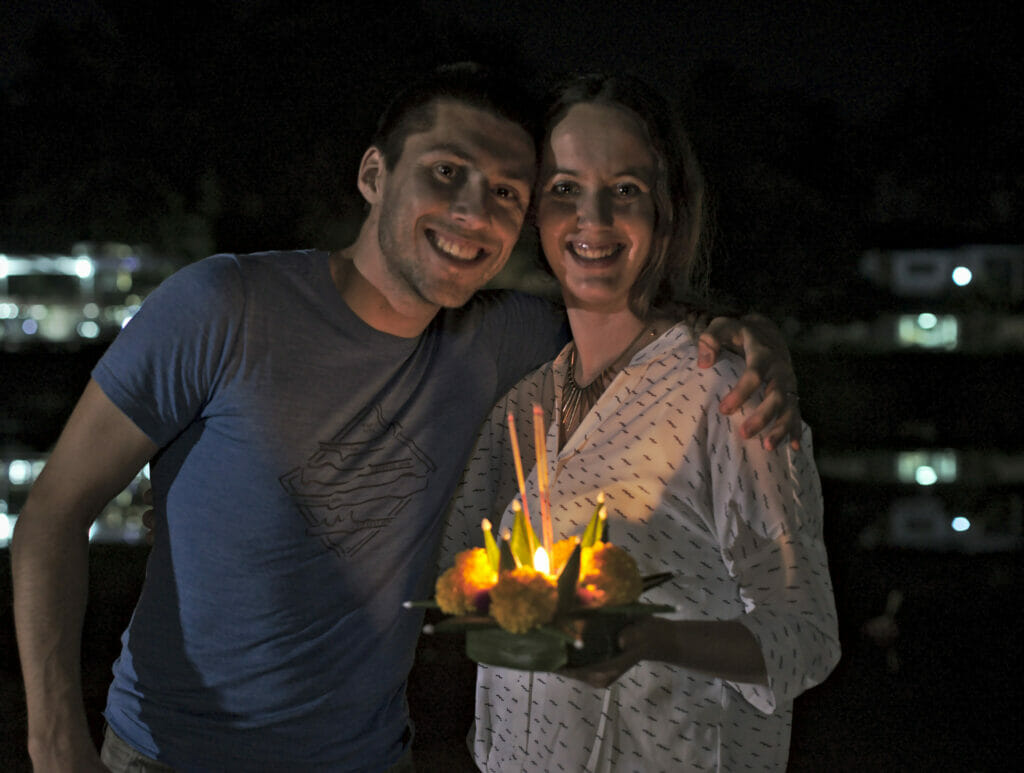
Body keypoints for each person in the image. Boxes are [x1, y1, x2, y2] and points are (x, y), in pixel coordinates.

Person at [12, 63, 801, 772]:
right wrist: (55, 748)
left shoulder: (503, 340)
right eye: (446, 172)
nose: (472, 212)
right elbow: (53, 512)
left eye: (504, 194)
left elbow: (645, 325)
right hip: (167, 754)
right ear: (373, 175)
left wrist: (748, 334)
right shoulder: (222, 307)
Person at [442, 73, 840, 771]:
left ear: (666, 208)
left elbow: (804, 637)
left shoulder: (723, 388)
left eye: (624, 189)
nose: (592, 218)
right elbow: (454, 575)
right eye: (564, 188)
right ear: (535, 211)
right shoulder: (524, 403)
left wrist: (653, 640)